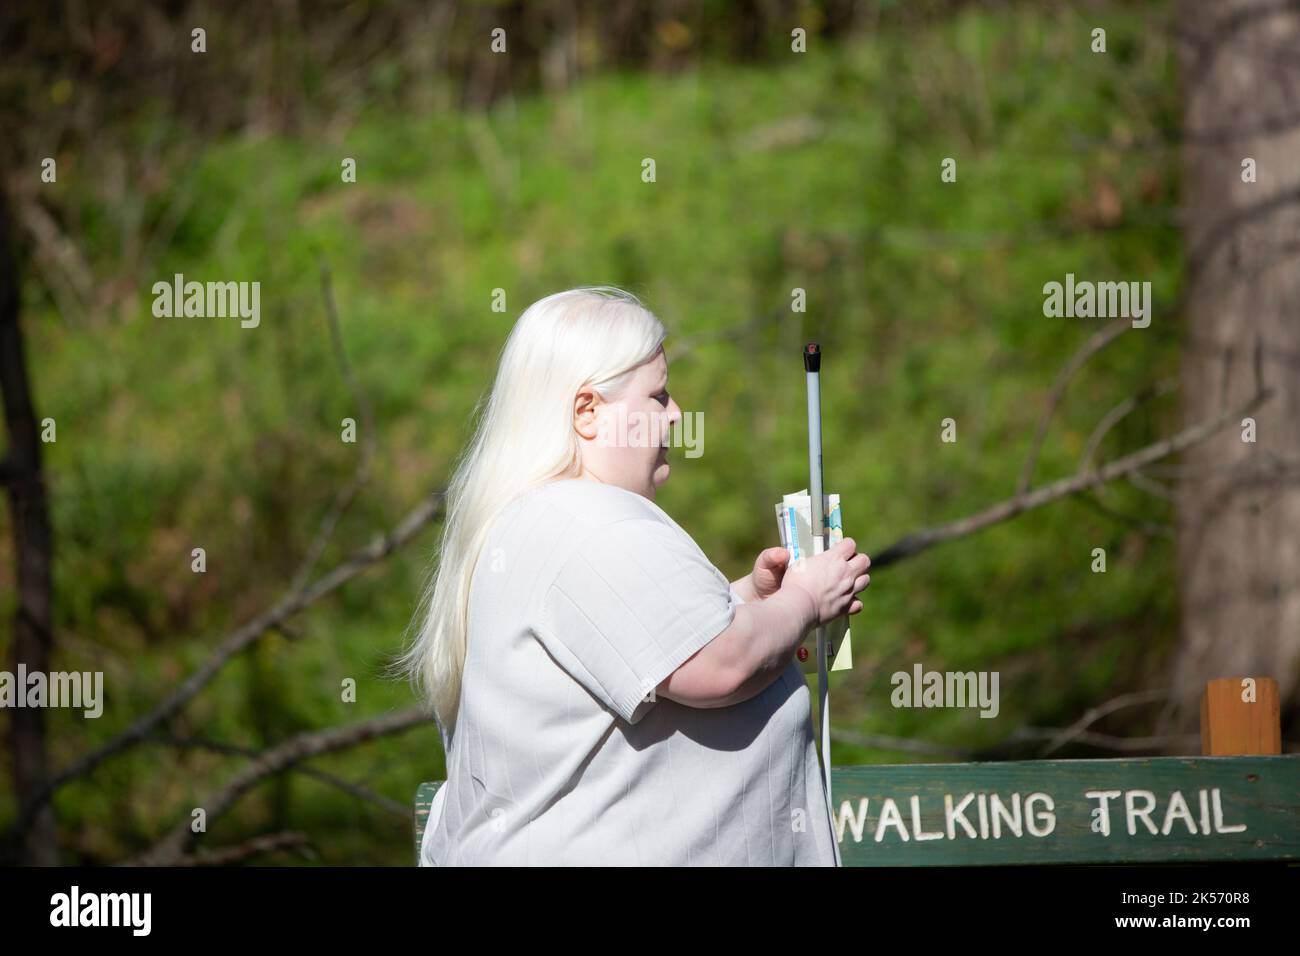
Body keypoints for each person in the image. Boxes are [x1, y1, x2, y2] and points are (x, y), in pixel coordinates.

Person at [397, 286, 870, 865]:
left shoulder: (554, 521)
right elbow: (720, 665)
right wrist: (802, 601)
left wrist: (747, 600)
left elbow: (652, 649)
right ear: (588, 412)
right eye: (659, 395)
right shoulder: (586, 523)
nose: (675, 414)